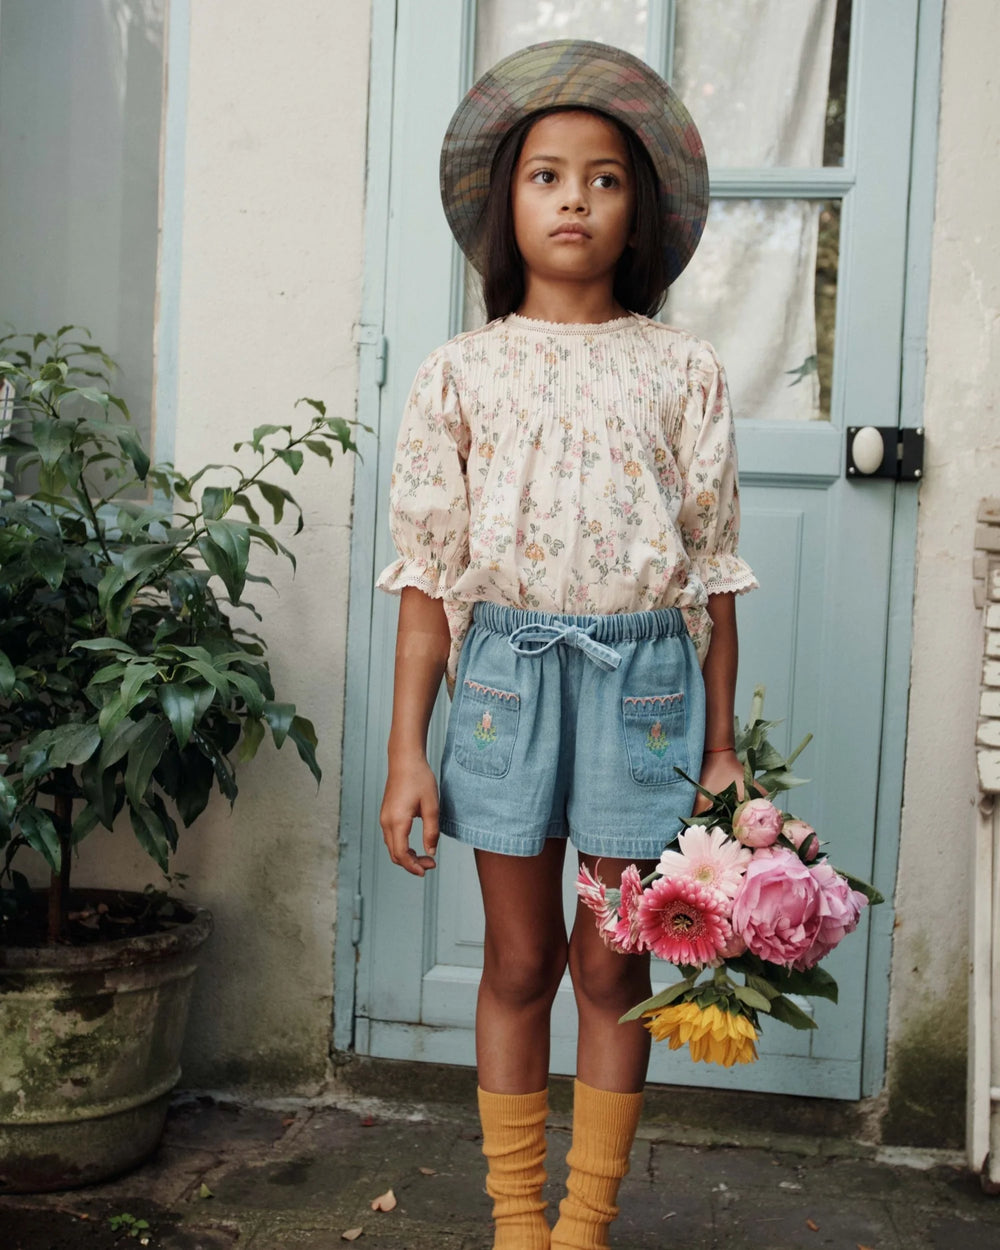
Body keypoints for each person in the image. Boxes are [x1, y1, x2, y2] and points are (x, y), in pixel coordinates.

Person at [376, 40, 757, 1250]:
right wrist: (406, 750)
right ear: (509, 203)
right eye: (547, 175)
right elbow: (430, 576)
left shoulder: (682, 370)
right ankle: (513, 1220)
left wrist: (720, 746)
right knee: (522, 956)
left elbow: (713, 577)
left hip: (643, 686)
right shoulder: (458, 375)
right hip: (500, 681)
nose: (575, 198)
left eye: (603, 177)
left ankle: (583, 1222)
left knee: (609, 966)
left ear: (637, 204)